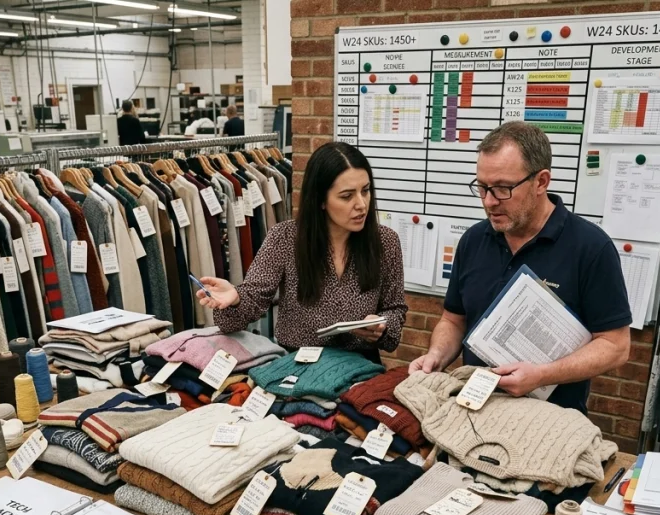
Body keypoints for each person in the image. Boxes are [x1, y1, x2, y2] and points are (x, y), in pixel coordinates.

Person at [409, 122, 631, 413]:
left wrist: (543, 375)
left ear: (541, 182)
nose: (489, 202)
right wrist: (436, 357)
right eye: (482, 187)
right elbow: (453, 320)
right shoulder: (473, 240)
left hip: (550, 421)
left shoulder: (591, 247)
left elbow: (615, 346)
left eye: (502, 189)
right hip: (474, 410)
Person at [195, 141, 407, 361]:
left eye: (365, 191)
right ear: (321, 200)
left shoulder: (385, 242)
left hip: (360, 366)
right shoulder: (285, 238)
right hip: (298, 365)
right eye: (347, 196)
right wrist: (236, 298)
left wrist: (381, 326)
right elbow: (251, 301)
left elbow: (395, 310)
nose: (362, 204)